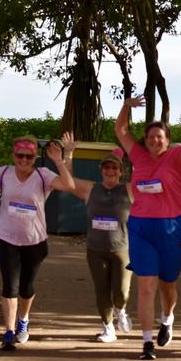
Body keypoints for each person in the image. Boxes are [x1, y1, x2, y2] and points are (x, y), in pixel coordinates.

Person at [114, 94, 181, 360]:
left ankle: (167, 317)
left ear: (167, 140)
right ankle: (146, 343)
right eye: (150, 137)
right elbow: (121, 130)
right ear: (145, 142)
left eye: (160, 137)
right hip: (141, 228)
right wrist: (126, 106)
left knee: (167, 285)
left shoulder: (177, 157)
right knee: (146, 284)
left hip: (173, 229)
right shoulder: (138, 156)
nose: (154, 140)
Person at [0, 134, 75, 351]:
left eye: (28, 156)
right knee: (10, 286)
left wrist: (60, 160)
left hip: (35, 241)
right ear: (13, 155)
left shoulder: (43, 175)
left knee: (26, 287)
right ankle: (8, 332)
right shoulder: (5, 172)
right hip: (7, 238)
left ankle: (23, 319)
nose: (24, 160)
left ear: (35, 156)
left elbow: (69, 184)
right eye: (20, 155)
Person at [61, 132, 133, 343]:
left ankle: (121, 310)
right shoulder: (91, 189)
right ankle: (108, 327)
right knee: (102, 291)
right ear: (101, 170)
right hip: (95, 250)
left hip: (122, 250)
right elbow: (68, 180)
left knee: (121, 291)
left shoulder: (128, 189)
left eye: (114, 168)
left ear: (121, 171)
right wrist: (68, 153)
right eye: (106, 167)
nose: (110, 171)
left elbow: (149, 180)